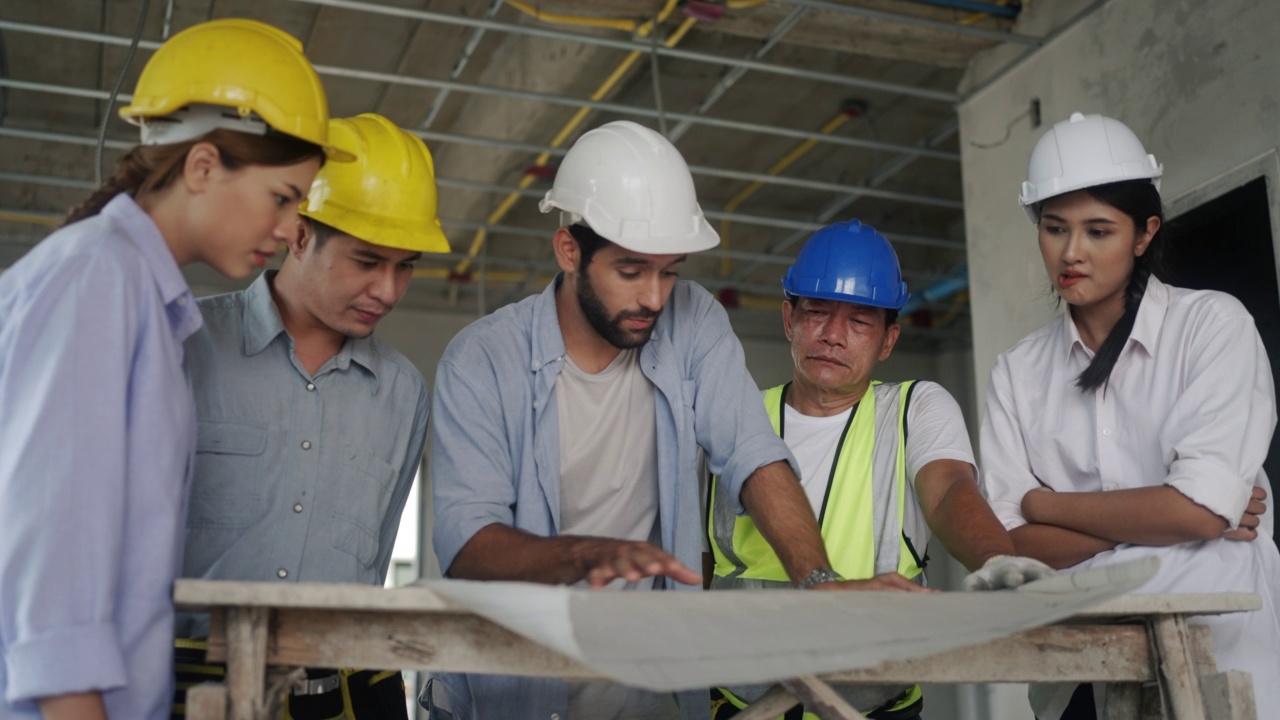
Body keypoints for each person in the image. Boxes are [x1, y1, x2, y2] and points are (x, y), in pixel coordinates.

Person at [426, 120, 877, 720]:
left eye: (670, 271)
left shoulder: (694, 322)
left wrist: (819, 583)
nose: (656, 298)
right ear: (569, 250)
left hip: (645, 694)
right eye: (631, 271)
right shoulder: (482, 359)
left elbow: (751, 453)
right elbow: (466, 543)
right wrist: (589, 556)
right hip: (510, 695)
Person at [0, 18, 340, 720]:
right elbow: (51, 546)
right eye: (282, 197)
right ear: (203, 167)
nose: (288, 230)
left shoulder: (145, 302)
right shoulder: (97, 279)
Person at [980, 111, 1280, 719]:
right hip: (1079, 678)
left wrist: (1046, 505)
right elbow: (1010, 544)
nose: (1071, 252)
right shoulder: (1018, 374)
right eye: (1054, 228)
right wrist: (1171, 518)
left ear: (1144, 234)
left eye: (1098, 231)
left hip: (1215, 662)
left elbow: (1194, 512)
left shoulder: (1212, 328)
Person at [706, 220, 1054, 720]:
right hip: (742, 706)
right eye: (817, 312)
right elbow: (698, 565)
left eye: (859, 321)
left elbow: (948, 491)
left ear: (888, 340)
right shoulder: (736, 418)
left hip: (872, 707)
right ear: (788, 318)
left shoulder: (914, 409)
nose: (831, 336)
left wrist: (996, 556)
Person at [173, 113, 447, 719]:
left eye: (405, 266)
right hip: (188, 686)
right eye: (368, 261)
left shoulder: (402, 394)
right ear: (299, 235)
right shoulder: (187, 347)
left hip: (340, 693)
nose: (390, 289)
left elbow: (374, 562)